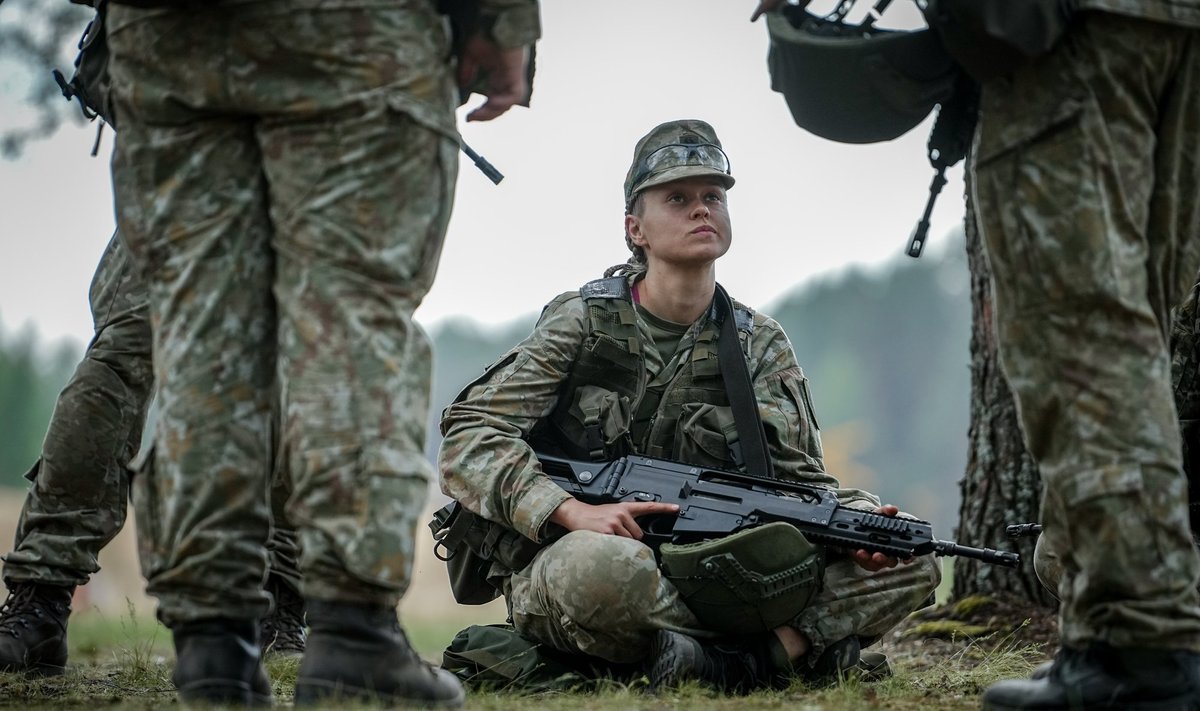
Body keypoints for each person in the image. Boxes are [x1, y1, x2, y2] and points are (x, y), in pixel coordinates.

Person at [102, 0, 538, 706]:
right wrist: (506, 26)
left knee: (201, 332)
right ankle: (352, 632)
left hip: (163, 36)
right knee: (350, 320)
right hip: (349, 31)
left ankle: (212, 644)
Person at [438, 119, 941, 693]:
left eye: (713, 197)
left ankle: (740, 661)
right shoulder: (583, 322)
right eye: (677, 199)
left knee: (912, 555)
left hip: (721, 569)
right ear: (636, 229)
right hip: (597, 562)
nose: (701, 210)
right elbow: (469, 434)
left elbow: (800, 485)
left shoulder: (758, 341)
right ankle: (769, 657)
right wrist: (570, 511)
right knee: (602, 573)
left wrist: (856, 524)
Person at [953, 10, 1200, 711]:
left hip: (1074, 34)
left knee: (1084, 337)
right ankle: (1105, 641)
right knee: (1138, 321)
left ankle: (1147, 646)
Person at [0, 232, 306, 676]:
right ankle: (40, 600)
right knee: (123, 353)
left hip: (300, 175)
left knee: (291, 364)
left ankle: (276, 608)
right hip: (182, 179)